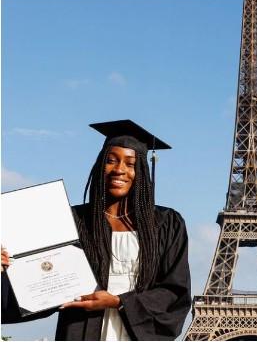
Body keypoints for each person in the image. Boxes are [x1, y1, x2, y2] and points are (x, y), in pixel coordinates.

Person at [2, 120, 192, 340]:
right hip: (81, 328)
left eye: (130, 164)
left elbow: (174, 290)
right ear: (100, 166)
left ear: (141, 171)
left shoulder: (166, 223)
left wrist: (119, 302)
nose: (119, 170)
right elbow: (39, 275)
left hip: (137, 330)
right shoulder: (72, 220)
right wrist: (8, 267)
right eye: (111, 161)